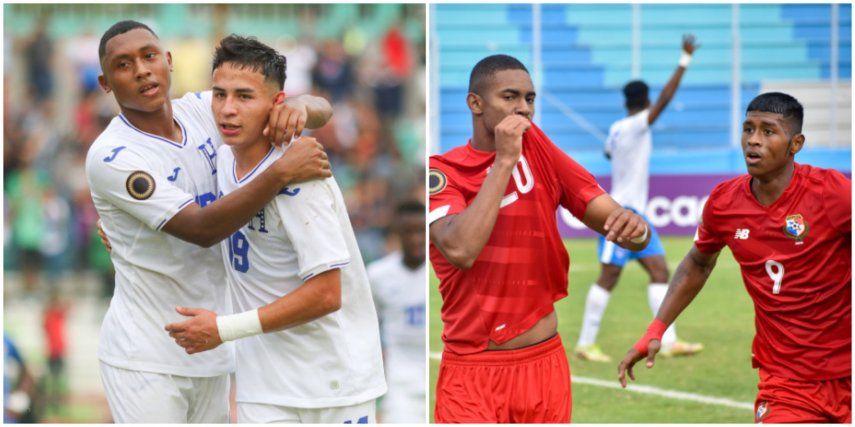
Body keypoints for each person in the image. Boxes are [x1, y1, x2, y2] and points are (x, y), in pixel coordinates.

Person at [85, 21, 332, 423]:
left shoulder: (203, 109)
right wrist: (282, 172)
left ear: (168, 61)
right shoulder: (113, 155)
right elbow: (202, 229)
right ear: (106, 82)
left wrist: (302, 106)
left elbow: (322, 108)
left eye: (149, 56)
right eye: (124, 65)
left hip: (211, 344)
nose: (142, 70)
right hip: (146, 354)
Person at [164, 35, 386, 424]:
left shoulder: (301, 177)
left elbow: (326, 294)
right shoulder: (218, 160)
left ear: (276, 104)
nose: (228, 110)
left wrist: (224, 329)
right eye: (220, 95)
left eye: (245, 97)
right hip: (262, 387)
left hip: (331, 386)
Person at [428, 54, 651, 423]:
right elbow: (460, 249)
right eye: (510, 97)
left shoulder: (539, 149)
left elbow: (616, 222)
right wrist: (504, 162)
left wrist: (635, 228)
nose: (524, 109)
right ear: (475, 103)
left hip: (543, 367)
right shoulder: (442, 171)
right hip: (473, 372)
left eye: (530, 99)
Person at [618, 92, 851, 423]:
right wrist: (656, 328)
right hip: (785, 383)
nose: (753, 141)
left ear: (795, 143)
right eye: (748, 129)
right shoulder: (724, 203)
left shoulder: (832, 193)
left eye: (768, 131)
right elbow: (698, 262)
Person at [576, 34, 704, 362]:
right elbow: (666, 98)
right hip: (622, 211)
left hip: (635, 213)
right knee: (610, 275)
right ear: (645, 102)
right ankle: (585, 343)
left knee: (660, 271)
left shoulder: (617, 129)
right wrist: (684, 59)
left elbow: (607, 154)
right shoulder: (636, 125)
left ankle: (669, 340)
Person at [367, 200, 426, 423]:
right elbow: (367, 326)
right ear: (397, 233)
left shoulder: (439, 271)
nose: (415, 239)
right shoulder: (378, 275)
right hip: (400, 382)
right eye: (408, 232)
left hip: (438, 374)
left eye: (421, 231)